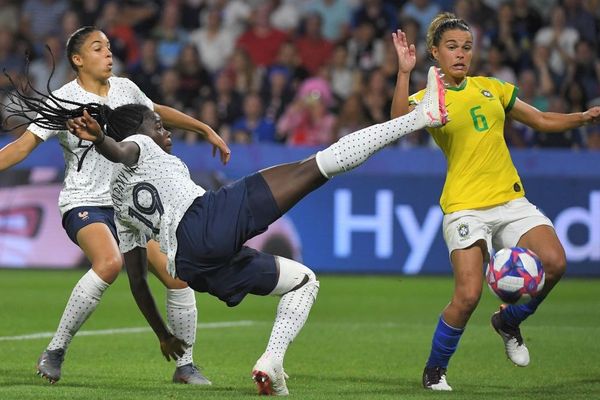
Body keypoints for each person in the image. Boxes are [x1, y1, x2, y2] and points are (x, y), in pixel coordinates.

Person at [56, 66, 448, 395]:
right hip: (206, 218)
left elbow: (139, 280)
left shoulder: (117, 199)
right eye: (158, 125)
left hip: (192, 264)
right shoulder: (137, 143)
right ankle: (420, 117)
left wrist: (162, 333)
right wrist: (105, 139)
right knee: (317, 166)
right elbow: (121, 151)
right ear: (139, 132)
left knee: (304, 281)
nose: (165, 132)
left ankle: (271, 362)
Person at [0, 26, 230, 385]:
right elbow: (21, 147)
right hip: (85, 201)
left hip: (130, 205)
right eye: (97, 48)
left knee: (178, 277)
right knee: (109, 263)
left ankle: (185, 366)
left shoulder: (125, 88)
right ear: (77, 59)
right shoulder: (62, 100)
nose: (108, 53)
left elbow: (156, 112)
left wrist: (203, 128)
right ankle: (56, 349)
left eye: (108, 46)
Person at [390, 14, 600, 391]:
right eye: (452, 47)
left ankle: (509, 320)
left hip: (511, 201)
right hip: (465, 207)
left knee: (555, 262)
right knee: (468, 294)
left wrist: (582, 118)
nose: (460, 54)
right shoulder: (430, 99)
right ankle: (435, 370)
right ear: (434, 52)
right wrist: (404, 72)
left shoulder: (493, 88)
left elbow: (539, 119)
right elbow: (393, 127)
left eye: (466, 48)